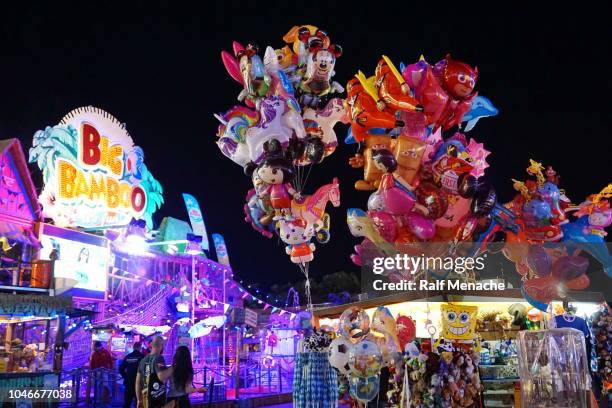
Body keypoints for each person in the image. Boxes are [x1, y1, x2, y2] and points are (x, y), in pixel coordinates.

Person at [136, 336, 172, 408]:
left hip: (145, 398)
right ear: (161, 346)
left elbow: (137, 382)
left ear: (151, 344)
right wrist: (174, 367)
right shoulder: (159, 357)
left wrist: (139, 400)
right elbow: (161, 376)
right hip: (157, 398)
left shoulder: (143, 360)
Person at [119, 342, 145, 408]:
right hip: (139, 384)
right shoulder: (143, 357)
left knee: (127, 403)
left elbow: (121, 368)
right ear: (140, 348)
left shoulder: (128, 357)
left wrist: (126, 377)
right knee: (139, 403)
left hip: (129, 383)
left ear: (133, 348)